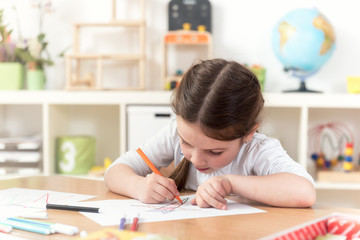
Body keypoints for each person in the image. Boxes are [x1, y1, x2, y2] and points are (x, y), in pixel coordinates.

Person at [105, 58, 316, 210]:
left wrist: (230, 183)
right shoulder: (173, 132)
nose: (196, 159)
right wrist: (138, 186)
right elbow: (114, 172)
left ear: (248, 133)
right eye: (186, 142)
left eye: (215, 151)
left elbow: (304, 193)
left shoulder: (257, 149)